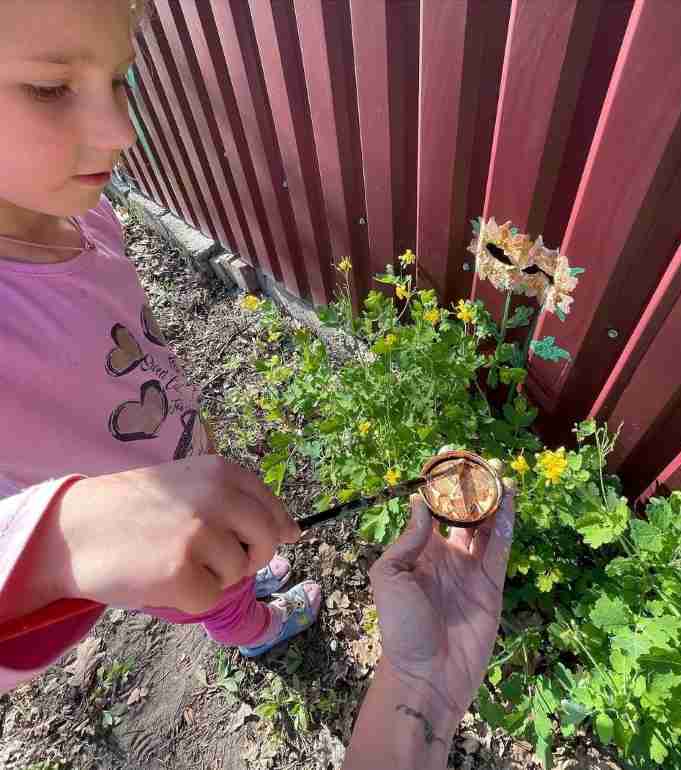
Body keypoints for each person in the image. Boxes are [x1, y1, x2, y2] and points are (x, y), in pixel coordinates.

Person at [0, 1, 517, 766]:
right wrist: (60, 543)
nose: (121, 131)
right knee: (217, 593)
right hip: (149, 549)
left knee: (242, 549)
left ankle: (250, 583)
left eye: (119, 76)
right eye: (48, 88)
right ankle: (254, 632)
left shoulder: (79, 212)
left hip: (179, 451)